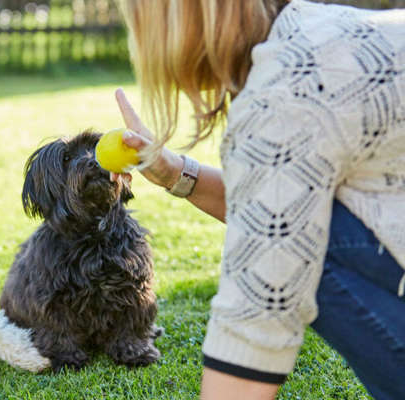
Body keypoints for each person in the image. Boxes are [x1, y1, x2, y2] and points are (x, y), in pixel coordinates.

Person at [112, 0, 405, 399]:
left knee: (304, 244)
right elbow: (277, 201)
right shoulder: (317, 30)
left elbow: (257, 315)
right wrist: (174, 173)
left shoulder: (287, 87)